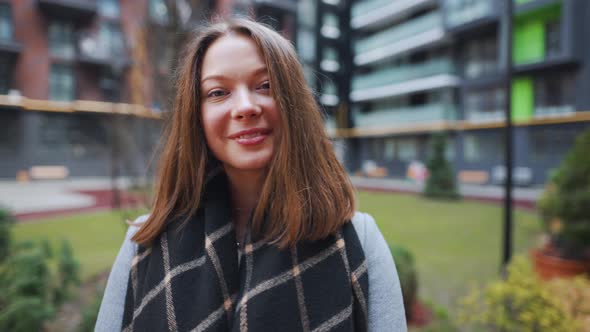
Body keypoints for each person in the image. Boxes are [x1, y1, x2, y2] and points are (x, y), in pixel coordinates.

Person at [96, 18, 406, 332]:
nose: (245, 107)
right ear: (196, 115)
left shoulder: (358, 240)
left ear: (294, 104)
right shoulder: (142, 245)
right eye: (218, 92)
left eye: (265, 85)